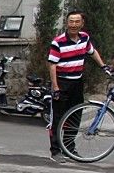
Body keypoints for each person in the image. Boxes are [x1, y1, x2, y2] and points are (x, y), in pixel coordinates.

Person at [47, 10, 109, 163]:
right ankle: (55, 151)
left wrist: (103, 66)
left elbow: (92, 52)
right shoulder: (58, 42)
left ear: (82, 23)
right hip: (62, 82)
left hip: (77, 82)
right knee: (58, 118)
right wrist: (55, 87)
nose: (73, 24)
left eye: (77, 22)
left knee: (75, 116)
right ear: (67, 23)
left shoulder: (84, 38)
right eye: (71, 21)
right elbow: (52, 65)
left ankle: (69, 148)